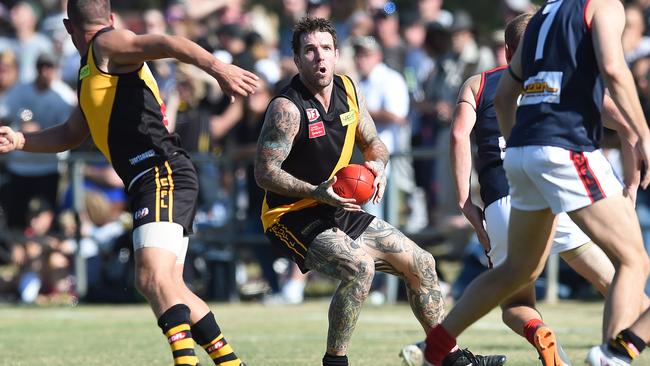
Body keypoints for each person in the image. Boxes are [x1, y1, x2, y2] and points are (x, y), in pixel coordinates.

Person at [0, 1, 258, 365]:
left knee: (151, 277)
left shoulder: (107, 44)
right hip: (150, 176)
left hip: (160, 171)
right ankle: (232, 364)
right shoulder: (91, 66)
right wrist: (22, 140)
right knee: (170, 285)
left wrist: (219, 68)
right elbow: (74, 132)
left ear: (67, 26)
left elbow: (168, 43)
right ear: (109, 16)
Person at [253, 17, 505, 366]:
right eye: (309, 50)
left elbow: (374, 143)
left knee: (422, 262)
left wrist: (378, 166)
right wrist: (316, 191)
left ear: (337, 53)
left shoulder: (349, 90)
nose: (319, 56)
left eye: (326, 48)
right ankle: (335, 362)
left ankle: (450, 358)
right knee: (359, 267)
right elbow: (264, 173)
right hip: (291, 215)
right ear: (296, 59)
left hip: (336, 205)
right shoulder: (286, 108)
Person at [401, 12, 645, 366]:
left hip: (512, 180)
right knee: (630, 265)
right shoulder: (580, 37)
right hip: (562, 161)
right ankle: (614, 354)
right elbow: (616, 83)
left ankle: (435, 344)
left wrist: (471, 195)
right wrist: (637, 164)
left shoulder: (487, 76)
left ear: (509, 48)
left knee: (515, 277)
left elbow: (478, 120)